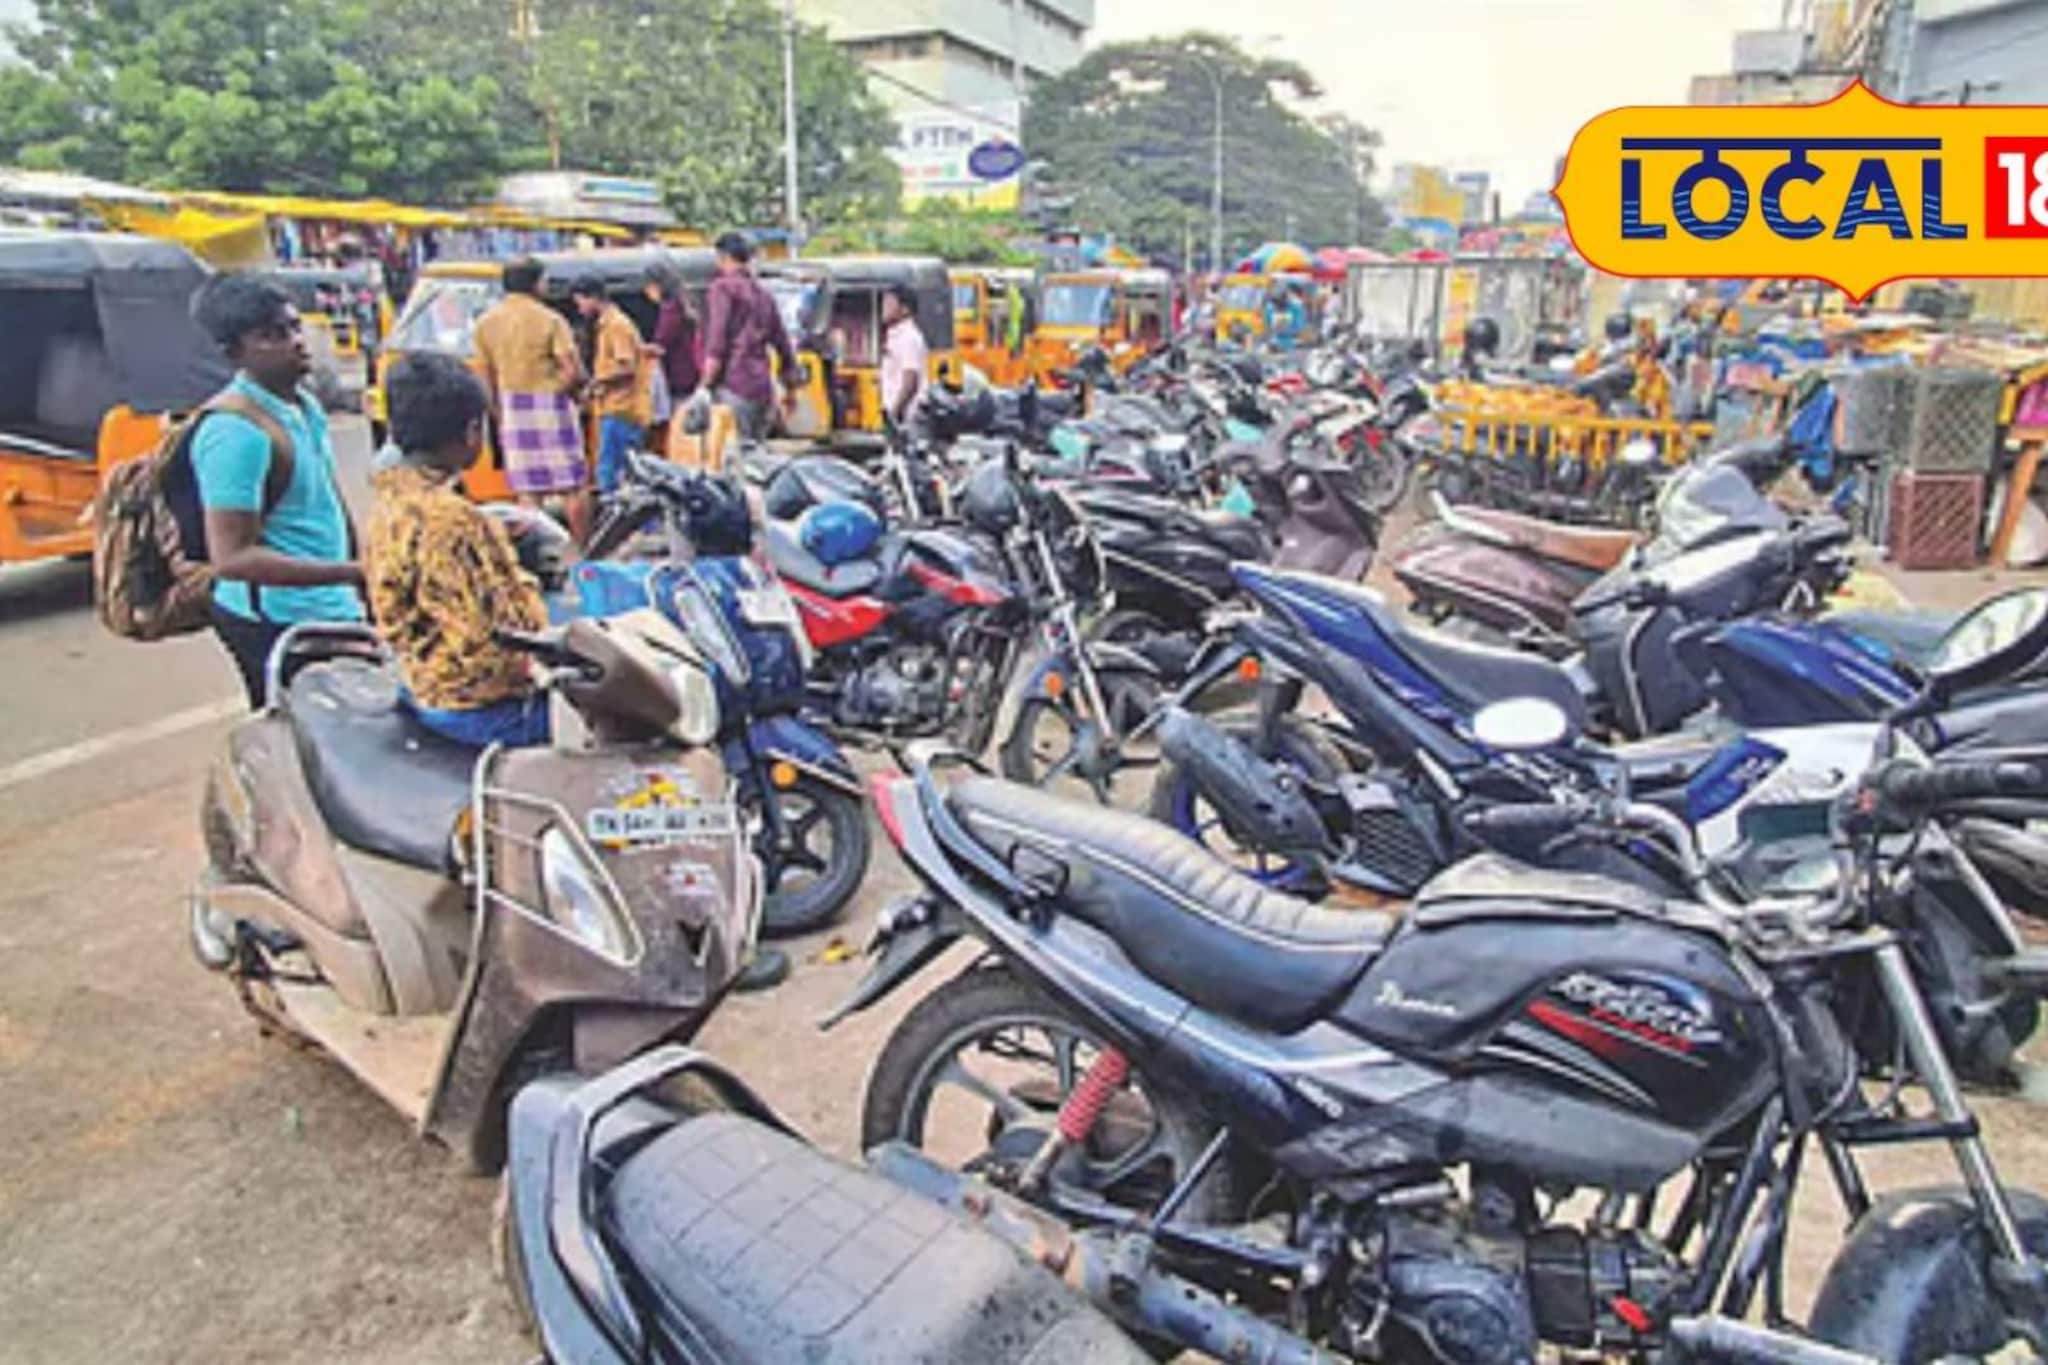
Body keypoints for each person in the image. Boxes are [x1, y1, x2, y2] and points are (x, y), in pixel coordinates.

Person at [189, 274, 365, 708]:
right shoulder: (235, 432)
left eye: (293, 327)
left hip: (332, 604)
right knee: (306, 739)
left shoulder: (301, 404)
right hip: (277, 620)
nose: (295, 342)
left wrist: (358, 572)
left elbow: (323, 501)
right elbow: (232, 558)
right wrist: (352, 572)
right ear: (235, 352)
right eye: (272, 336)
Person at [363, 352, 551, 748]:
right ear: (472, 432)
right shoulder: (454, 520)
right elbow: (494, 638)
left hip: (420, 682)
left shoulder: (391, 495)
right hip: (478, 708)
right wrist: (516, 572)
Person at [471, 256, 591, 541]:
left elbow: (485, 376)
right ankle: (582, 552)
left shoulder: (486, 323)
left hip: (512, 408)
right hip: (551, 406)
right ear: (537, 283)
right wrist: (563, 392)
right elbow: (571, 369)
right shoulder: (550, 320)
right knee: (573, 487)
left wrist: (498, 412)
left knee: (528, 492)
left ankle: (536, 554)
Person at [697, 231, 799, 441]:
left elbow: (717, 341)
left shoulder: (722, 289)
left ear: (723, 257)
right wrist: (790, 388)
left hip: (734, 385)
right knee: (757, 456)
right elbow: (783, 345)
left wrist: (704, 385)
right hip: (762, 389)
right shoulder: (764, 295)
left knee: (733, 456)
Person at [572, 276, 652, 497]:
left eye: (580, 302)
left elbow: (626, 367)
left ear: (594, 298)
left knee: (613, 473)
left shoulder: (616, 325)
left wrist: (596, 382)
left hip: (622, 409)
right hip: (615, 408)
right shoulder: (608, 325)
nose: (579, 309)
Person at [645, 265, 702, 433]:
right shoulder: (683, 303)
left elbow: (662, 342)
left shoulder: (671, 309)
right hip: (690, 371)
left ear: (656, 286)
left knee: (682, 424)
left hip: (680, 375)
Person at [879, 282, 930, 427]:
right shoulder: (894, 336)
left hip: (907, 418)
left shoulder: (909, 337)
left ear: (905, 309)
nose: (884, 309)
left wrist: (895, 414)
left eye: (890, 304)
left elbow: (910, 380)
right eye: (884, 303)